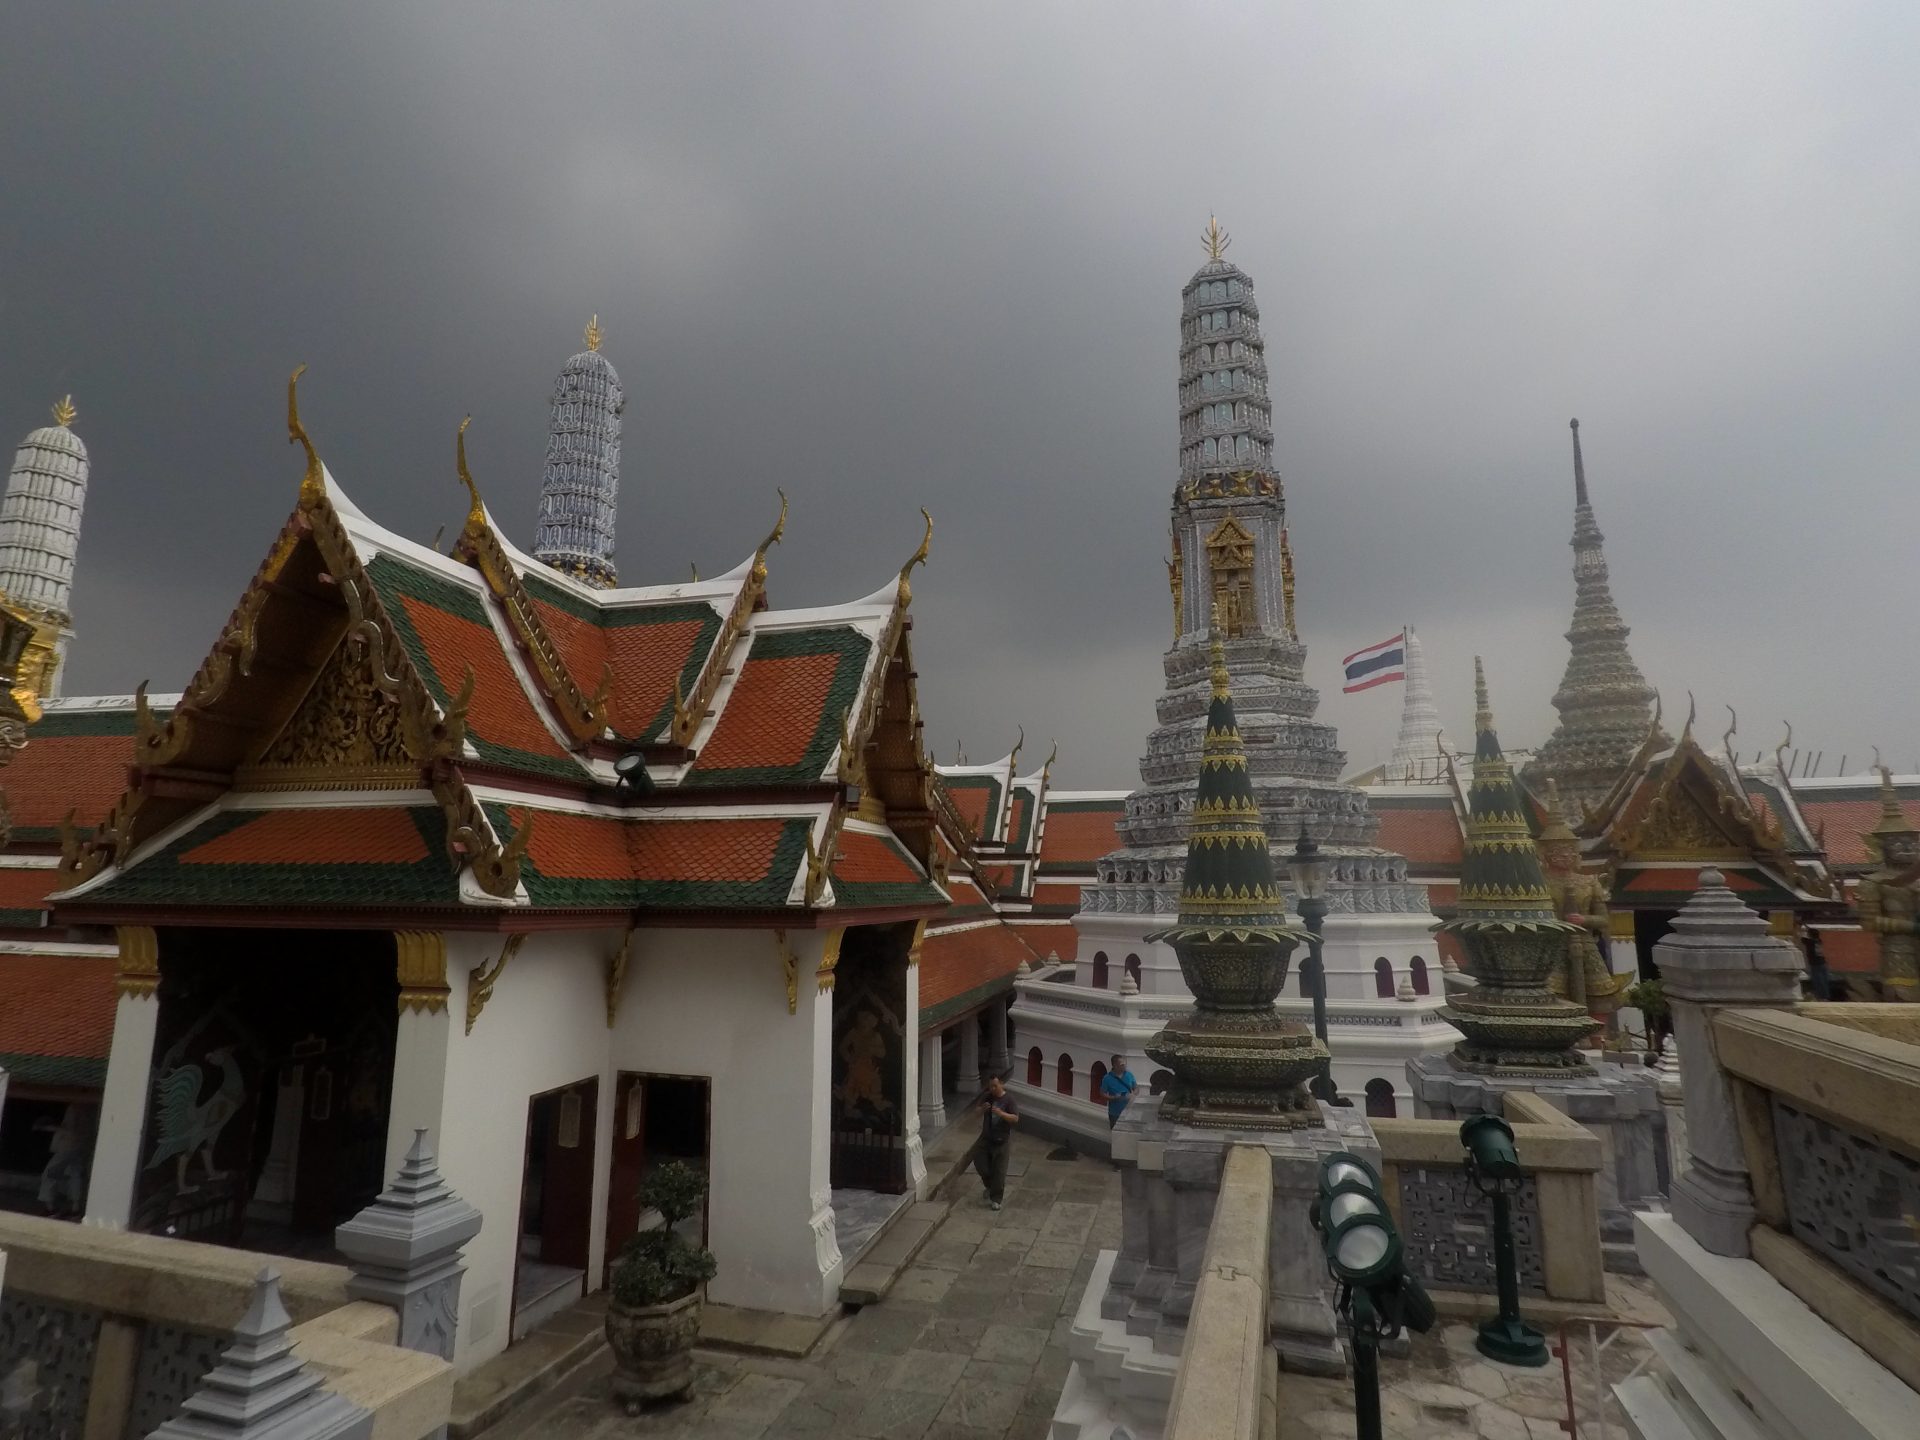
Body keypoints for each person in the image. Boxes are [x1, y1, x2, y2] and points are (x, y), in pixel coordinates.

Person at [972, 1075, 1019, 1210]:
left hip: (1002, 1139)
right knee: (980, 1163)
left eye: (995, 1086)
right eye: (991, 1086)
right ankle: (989, 1185)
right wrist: (982, 1110)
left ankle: (996, 1198)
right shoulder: (987, 1097)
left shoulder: (1009, 1100)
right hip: (986, 1137)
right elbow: (975, 1112)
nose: (993, 1089)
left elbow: (1015, 1118)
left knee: (999, 1170)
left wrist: (1001, 1113)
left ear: (1002, 1084)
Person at [1100, 1055, 1137, 1129]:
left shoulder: (1129, 1075)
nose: (1124, 1066)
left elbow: (1136, 1087)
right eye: (1122, 1065)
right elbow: (1102, 1093)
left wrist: (1133, 1094)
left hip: (1129, 1111)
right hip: (1115, 1113)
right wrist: (1114, 1097)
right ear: (1115, 1065)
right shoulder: (1107, 1078)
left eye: (1125, 1064)